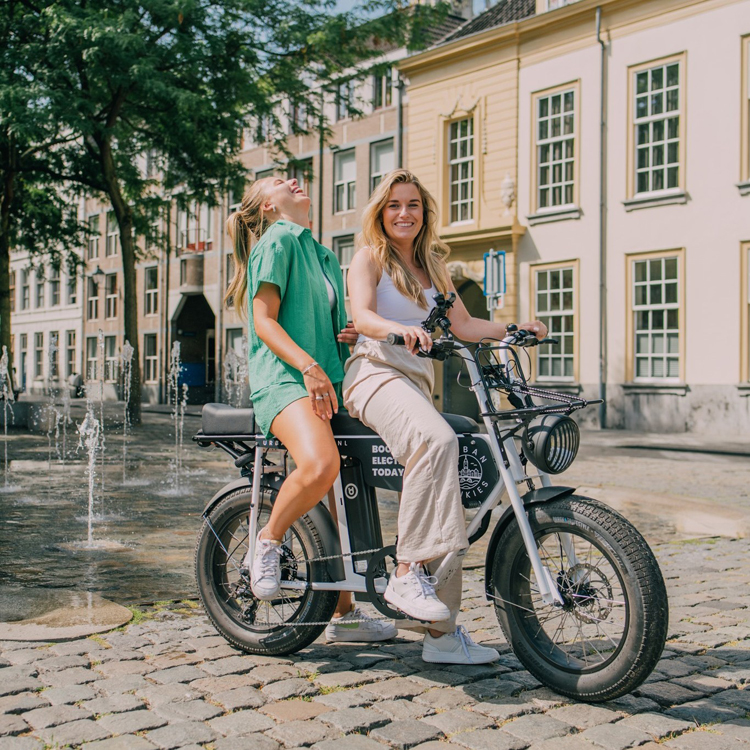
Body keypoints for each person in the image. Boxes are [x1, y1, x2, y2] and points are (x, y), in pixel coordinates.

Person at [344, 168, 548, 664]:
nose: (403, 213)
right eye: (394, 204)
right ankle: (405, 571)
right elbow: (363, 316)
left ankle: (440, 635)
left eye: (412, 204)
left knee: (457, 474)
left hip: (415, 382)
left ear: (425, 213)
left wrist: (512, 329)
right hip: (374, 373)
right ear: (380, 212)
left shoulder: (435, 269)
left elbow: (464, 324)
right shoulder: (368, 258)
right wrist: (399, 329)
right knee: (437, 441)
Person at [226, 176, 397, 643]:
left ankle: (344, 614)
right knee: (322, 465)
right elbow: (263, 322)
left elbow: (322, 323)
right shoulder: (277, 240)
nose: (295, 181)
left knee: (342, 494)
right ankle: (267, 542)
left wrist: (342, 335)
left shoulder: (321, 254)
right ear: (266, 205)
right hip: (285, 381)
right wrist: (309, 365)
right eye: (280, 181)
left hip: (327, 383)